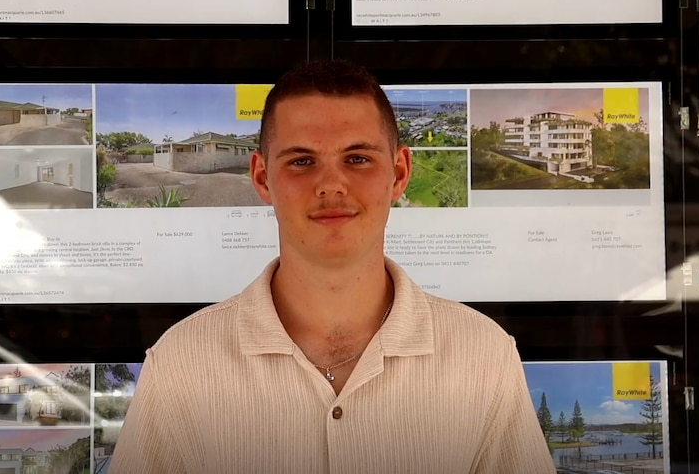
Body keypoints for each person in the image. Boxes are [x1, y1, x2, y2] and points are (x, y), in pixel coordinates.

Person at [108, 59, 556, 474]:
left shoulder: (484, 357)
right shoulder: (181, 365)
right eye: (302, 161)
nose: (331, 184)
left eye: (357, 158)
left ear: (399, 173)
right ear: (262, 178)